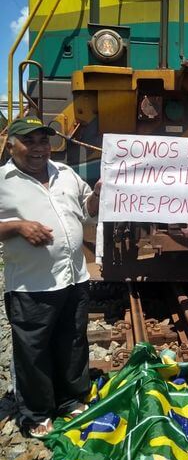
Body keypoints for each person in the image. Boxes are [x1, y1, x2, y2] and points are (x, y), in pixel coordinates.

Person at [0, 116, 101, 438]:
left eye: (44, 141)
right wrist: (17, 226)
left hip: (74, 278)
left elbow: (88, 209)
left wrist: (98, 194)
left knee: (72, 341)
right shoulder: (3, 180)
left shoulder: (66, 174)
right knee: (33, 350)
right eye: (29, 141)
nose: (38, 148)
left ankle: (70, 400)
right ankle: (37, 412)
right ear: (11, 144)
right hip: (32, 284)